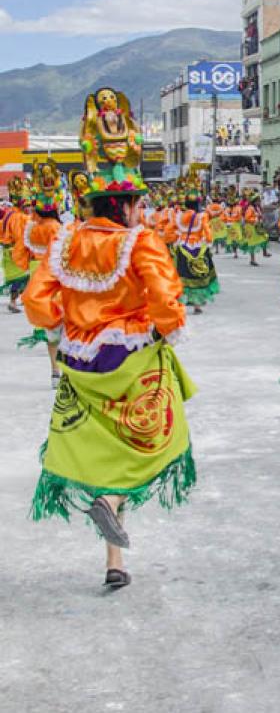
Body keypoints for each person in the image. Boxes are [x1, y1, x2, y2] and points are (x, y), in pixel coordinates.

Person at [24, 86, 196, 590]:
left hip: (79, 363)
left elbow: (37, 300)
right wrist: (166, 329)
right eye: (139, 202)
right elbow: (165, 297)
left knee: (102, 452)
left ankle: (114, 561)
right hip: (134, 357)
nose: (142, 210)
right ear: (125, 206)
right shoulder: (139, 241)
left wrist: (66, 323)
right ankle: (114, 514)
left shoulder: (65, 240)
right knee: (151, 441)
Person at [13, 160, 64, 386]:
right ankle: (64, 368)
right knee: (64, 324)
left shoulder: (31, 228)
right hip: (55, 276)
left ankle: (54, 370)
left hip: (37, 274)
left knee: (48, 324)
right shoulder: (57, 228)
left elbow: (19, 252)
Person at [166, 174, 219, 314]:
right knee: (198, 275)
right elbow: (207, 233)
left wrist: (176, 239)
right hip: (197, 248)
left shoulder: (178, 216)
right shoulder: (201, 216)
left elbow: (168, 232)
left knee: (182, 275)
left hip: (182, 247)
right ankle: (197, 304)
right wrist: (208, 243)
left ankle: (180, 302)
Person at [0, 177, 30, 314]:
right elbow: (20, 236)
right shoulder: (18, 217)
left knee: (19, 278)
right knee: (20, 277)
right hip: (16, 250)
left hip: (8, 249)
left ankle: (21, 299)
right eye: (26, 204)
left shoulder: (8, 214)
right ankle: (15, 301)